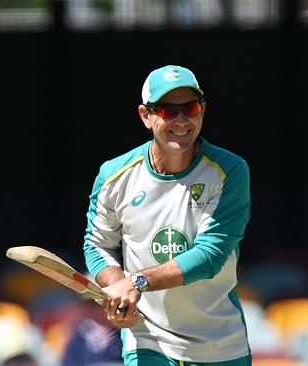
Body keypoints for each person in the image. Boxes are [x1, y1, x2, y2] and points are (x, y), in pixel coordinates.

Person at [82, 65, 252, 365]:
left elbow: (210, 256)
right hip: (148, 340)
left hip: (219, 345)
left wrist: (136, 284)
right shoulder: (113, 175)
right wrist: (117, 288)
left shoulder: (231, 171)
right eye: (167, 110)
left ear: (203, 110)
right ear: (146, 116)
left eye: (191, 107)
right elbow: (97, 244)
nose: (182, 120)